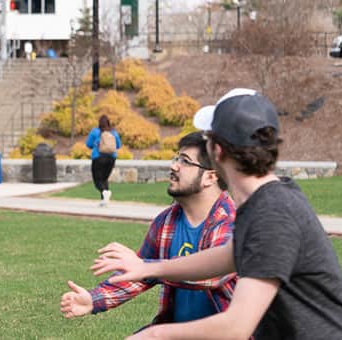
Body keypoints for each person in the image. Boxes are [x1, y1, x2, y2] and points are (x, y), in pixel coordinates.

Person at [92, 89, 342, 339]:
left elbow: (236, 327)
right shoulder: (266, 200)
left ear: (217, 151)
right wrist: (148, 267)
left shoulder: (272, 213)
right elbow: (228, 256)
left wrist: (156, 334)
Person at [61, 131, 237, 330]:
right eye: (176, 158)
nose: (174, 166)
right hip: (176, 330)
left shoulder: (231, 222)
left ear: (210, 177)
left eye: (185, 161)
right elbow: (139, 274)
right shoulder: (166, 221)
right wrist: (93, 299)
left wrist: (145, 266)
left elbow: (213, 274)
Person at [85, 114, 122, 207]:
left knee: (97, 180)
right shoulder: (114, 133)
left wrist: (95, 144)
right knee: (104, 179)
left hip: (98, 158)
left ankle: (104, 192)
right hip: (111, 158)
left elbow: (88, 144)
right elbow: (118, 145)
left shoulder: (95, 132)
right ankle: (104, 200)